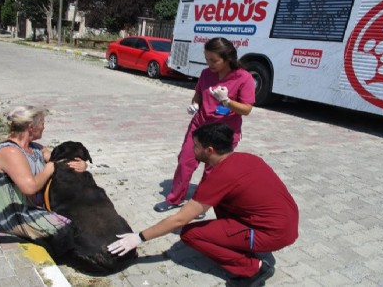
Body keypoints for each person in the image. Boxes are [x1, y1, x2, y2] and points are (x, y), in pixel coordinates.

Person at [108, 123, 299, 287]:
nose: (193, 150)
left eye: (196, 146)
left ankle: (253, 269)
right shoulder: (247, 158)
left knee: (190, 234)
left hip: (272, 234)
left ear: (210, 150)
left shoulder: (220, 176)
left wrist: (139, 238)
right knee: (222, 203)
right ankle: (241, 245)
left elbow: (180, 219)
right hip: (286, 223)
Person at [0, 105, 86, 256]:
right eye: (42, 123)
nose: (44, 127)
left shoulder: (35, 148)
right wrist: (49, 169)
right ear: (31, 127)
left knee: (82, 214)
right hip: (5, 214)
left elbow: (58, 159)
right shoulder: (9, 152)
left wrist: (79, 164)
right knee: (68, 230)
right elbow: (30, 187)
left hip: (29, 208)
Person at [154, 37, 255, 213]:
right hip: (200, 126)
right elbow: (199, 94)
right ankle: (175, 198)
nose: (209, 64)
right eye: (207, 59)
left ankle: (201, 205)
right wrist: (195, 104)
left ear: (228, 58)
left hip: (223, 132)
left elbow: (246, 109)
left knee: (212, 170)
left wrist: (226, 101)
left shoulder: (243, 78)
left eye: (214, 60)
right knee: (185, 160)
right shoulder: (206, 73)